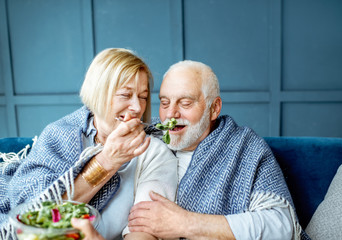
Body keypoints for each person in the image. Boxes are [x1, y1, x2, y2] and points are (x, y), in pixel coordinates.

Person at [72, 60, 310, 239]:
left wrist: (185, 223)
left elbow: (281, 225)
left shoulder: (244, 147)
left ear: (214, 108)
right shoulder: (144, 139)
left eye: (185, 103)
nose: (171, 114)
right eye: (164, 103)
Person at [0, 48, 177, 240]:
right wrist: (106, 162)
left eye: (143, 97)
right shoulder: (59, 134)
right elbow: (30, 215)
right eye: (125, 95)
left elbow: (145, 229)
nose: (137, 107)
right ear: (98, 94)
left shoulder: (152, 149)